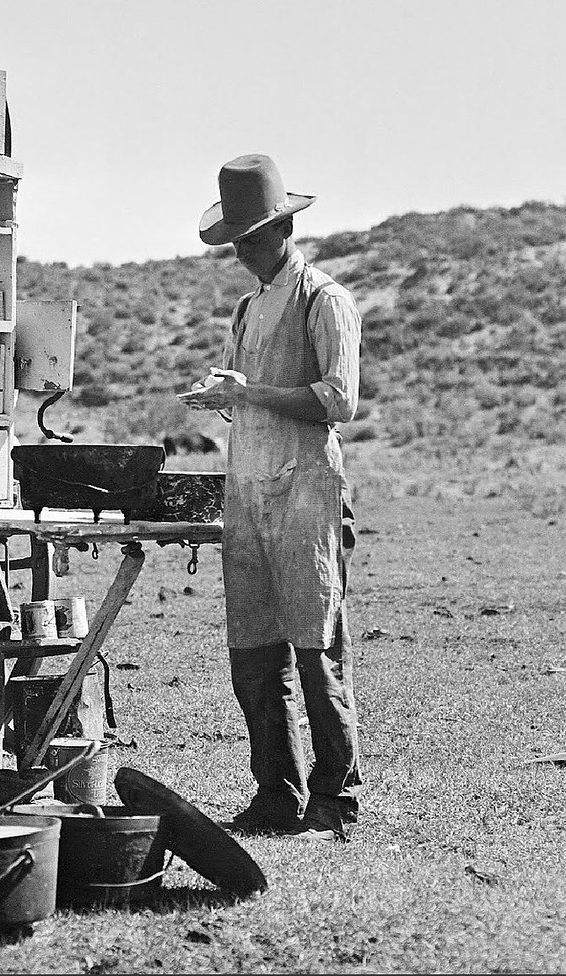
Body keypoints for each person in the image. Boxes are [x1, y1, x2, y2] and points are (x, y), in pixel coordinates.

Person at [179, 153, 363, 841]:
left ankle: (334, 799)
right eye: (237, 243)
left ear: (283, 229)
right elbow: (248, 393)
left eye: (254, 239)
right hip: (249, 489)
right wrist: (223, 394)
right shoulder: (249, 306)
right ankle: (274, 794)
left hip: (307, 490)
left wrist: (248, 392)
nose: (245, 254)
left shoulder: (325, 299)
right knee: (254, 651)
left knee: (316, 650)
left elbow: (339, 400)